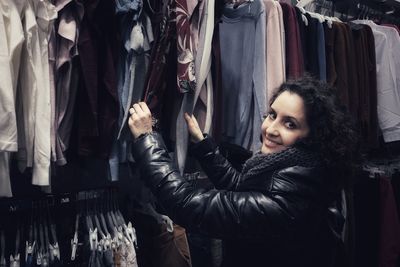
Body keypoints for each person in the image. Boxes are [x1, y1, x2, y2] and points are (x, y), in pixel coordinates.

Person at [128, 76, 358, 267]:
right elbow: (241, 188)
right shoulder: (299, 174)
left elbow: (188, 206)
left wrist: (147, 140)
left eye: (290, 124)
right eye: (272, 115)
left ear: (313, 137)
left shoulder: (288, 203)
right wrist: (203, 146)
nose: (271, 129)